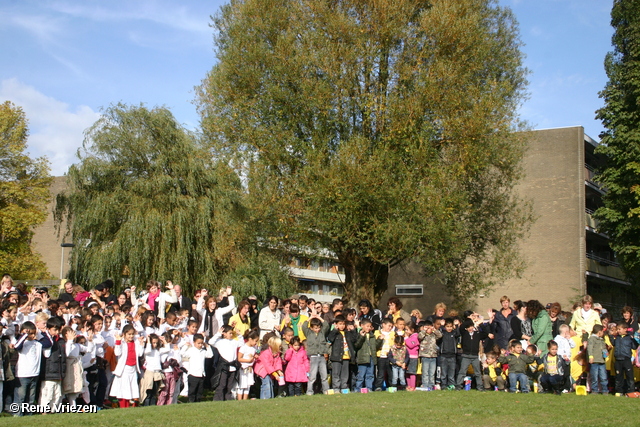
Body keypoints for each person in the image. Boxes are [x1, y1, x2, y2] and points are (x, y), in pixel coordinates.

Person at [110, 324, 144, 408]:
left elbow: (140, 354)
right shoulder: (122, 343)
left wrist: (141, 344)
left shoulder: (135, 342)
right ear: (124, 334)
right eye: (129, 334)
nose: (131, 336)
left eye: (132, 334)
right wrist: (118, 342)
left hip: (133, 369)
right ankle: (123, 407)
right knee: (123, 389)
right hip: (124, 369)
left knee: (131, 389)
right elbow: (117, 353)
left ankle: (128, 406)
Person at [13, 321, 42, 416]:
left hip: (35, 373)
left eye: (33, 333)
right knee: (20, 397)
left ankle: (29, 414)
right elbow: (17, 347)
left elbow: (49, 342)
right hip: (23, 374)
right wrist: (25, 335)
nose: (31, 335)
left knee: (30, 397)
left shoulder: (37, 343)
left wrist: (41, 332)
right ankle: (17, 414)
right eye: (30, 333)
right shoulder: (23, 342)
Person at [38, 317, 66, 410]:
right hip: (48, 372)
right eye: (54, 329)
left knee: (57, 394)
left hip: (59, 372)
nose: (56, 332)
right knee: (47, 393)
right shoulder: (44, 339)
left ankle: (53, 410)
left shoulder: (60, 341)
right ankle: (44, 410)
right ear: (48, 329)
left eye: (58, 329)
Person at [209, 325, 242, 401]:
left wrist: (239, 335)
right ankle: (218, 399)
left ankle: (228, 398)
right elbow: (211, 342)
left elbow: (241, 343)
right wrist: (218, 334)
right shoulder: (220, 342)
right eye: (230, 333)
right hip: (223, 366)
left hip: (232, 366)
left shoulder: (234, 342)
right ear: (224, 333)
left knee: (230, 385)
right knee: (222, 384)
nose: (231, 335)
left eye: (232, 333)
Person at [327, 315, 357, 393]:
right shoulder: (335, 333)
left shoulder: (347, 333)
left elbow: (354, 339)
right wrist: (334, 330)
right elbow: (330, 338)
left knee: (345, 374)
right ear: (336, 324)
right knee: (336, 373)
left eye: (343, 324)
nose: (342, 326)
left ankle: (344, 387)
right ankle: (336, 388)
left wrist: (353, 330)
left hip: (346, 356)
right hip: (336, 356)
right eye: (340, 324)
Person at [301, 314, 330, 395]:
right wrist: (311, 317)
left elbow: (326, 325)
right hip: (313, 357)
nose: (317, 329)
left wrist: (318, 317)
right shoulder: (309, 333)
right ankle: (309, 391)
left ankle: (326, 390)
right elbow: (304, 326)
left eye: (319, 327)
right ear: (311, 328)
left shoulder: (322, 333)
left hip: (321, 356)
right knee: (312, 376)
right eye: (315, 328)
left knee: (324, 376)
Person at [180, 333, 213, 403]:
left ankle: (198, 402)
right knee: (192, 391)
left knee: (199, 391)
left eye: (201, 343)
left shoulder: (203, 351)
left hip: (201, 375)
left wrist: (207, 346)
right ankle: (191, 403)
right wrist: (186, 346)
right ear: (194, 342)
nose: (200, 345)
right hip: (193, 374)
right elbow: (182, 353)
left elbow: (210, 355)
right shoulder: (191, 350)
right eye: (198, 343)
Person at [456, 319, 487, 391]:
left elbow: (485, 333)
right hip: (465, 356)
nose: (470, 328)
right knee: (462, 372)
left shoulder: (477, 334)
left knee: (477, 373)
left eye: (471, 326)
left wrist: (481, 324)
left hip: (475, 356)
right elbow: (461, 327)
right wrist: (469, 320)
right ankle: (459, 386)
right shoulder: (464, 333)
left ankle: (480, 387)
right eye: (468, 327)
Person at [354, 319, 379, 392]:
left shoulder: (372, 335)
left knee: (370, 374)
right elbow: (357, 345)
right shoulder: (359, 334)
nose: (368, 328)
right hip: (363, 358)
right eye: (367, 326)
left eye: (370, 326)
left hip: (371, 357)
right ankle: (358, 388)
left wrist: (380, 340)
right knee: (361, 375)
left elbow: (375, 346)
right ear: (362, 326)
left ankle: (369, 388)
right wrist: (361, 337)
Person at [613, 321, 637, 396]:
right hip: (618, 359)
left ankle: (630, 391)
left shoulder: (629, 338)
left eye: (619, 329)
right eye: (617, 329)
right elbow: (613, 343)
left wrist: (634, 339)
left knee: (629, 376)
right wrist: (611, 335)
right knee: (618, 376)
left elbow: (634, 346)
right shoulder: (617, 338)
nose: (618, 331)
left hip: (626, 359)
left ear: (625, 329)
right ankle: (619, 391)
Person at [418, 319, 442, 390]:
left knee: (432, 372)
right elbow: (419, 337)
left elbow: (440, 335)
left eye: (430, 327)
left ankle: (431, 385)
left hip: (433, 356)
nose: (429, 329)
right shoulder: (423, 334)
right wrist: (424, 330)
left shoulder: (433, 335)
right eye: (427, 327)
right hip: (425, 356)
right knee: (425, 372)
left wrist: (434, 330)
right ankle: (425, 384)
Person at [237, 330, 259, 400]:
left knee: (248, 385)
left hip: (249, 369)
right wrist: (248, 360)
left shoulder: (253, 348)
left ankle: (245, 399)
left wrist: (255, 356)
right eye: (255, 341)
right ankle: (240, 400)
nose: (256, 343)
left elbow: (254, 354)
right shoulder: (243, 347)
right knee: (242, 385)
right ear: (250, 339)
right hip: (243, 369)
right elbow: (239, 359)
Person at [587, 324, 608, 394]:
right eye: (602, 331)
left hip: (602, 361)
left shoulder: (602, 340)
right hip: (594, 361)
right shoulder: (592, 339)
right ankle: (594, 390)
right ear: (599, 332)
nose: (603, 333)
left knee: (603, 377)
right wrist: (591, 357)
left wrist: (606, 354)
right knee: (594, 377)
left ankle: (605, 390)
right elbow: (590, 348)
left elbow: (604, 349)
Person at [439, 318, 459, 390]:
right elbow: (439, 334)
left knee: (451, 372)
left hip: (452, 356)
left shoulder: (453, 333)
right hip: (444, 355)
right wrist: (441, 326)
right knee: (444, 372)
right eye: (447, 326)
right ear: (445, 327)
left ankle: (451, 384)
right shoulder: (443, 333)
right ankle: (443, 384)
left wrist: (456, 326)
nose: (449, 328)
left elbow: (458, 334)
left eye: (450, 326)